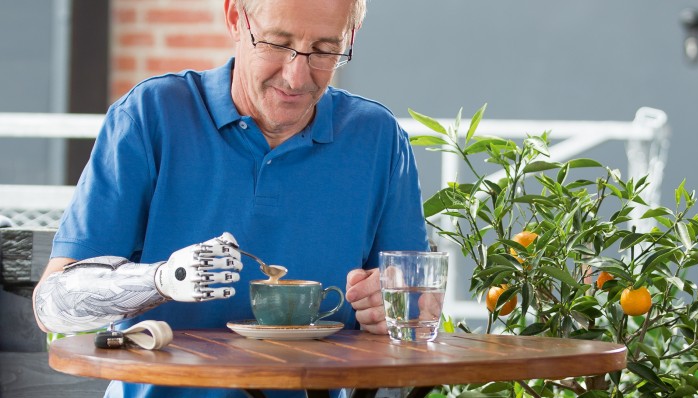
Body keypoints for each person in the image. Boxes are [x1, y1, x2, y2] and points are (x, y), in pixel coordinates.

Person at [32, 0, 428, 397]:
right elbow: (52, 306)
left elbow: (416, 311)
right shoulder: (150, 115)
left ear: (350, 38)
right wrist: (163, 279)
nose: (296, 77)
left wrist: (395, 311)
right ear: (235, 19)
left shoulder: (379, 138)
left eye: (324, 50)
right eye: (277, 43)